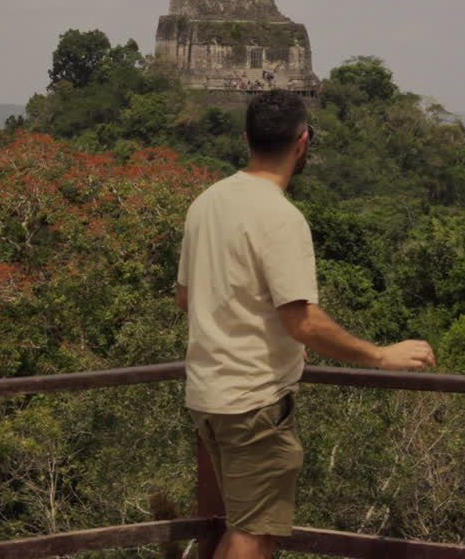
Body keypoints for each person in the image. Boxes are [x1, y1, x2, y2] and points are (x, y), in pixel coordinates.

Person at [175, 90, 436, 559]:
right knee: (253, 533)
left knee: (249, 526)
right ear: (303, 142)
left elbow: (187, 298)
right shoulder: (281, 217)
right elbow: (303, 322)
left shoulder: (207, 203)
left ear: (246, 138)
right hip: (252, 399)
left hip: (208, 394)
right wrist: (380, 355)